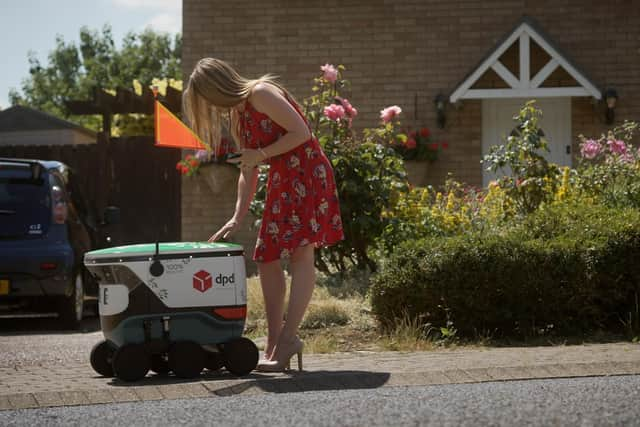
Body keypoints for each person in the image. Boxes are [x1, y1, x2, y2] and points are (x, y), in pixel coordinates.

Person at [183, 58, 344, 372]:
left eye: (207, 100)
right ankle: (274, 343)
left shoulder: (260, 93)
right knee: (266, 256)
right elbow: (249, 167)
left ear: (217, 87)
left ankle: (287, 340)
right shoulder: (237, 113)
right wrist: (237, 216)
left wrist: (262, 153)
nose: (210, 108)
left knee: (300, 252)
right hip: (283, 178)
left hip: (307, 173)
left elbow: (302, 132)